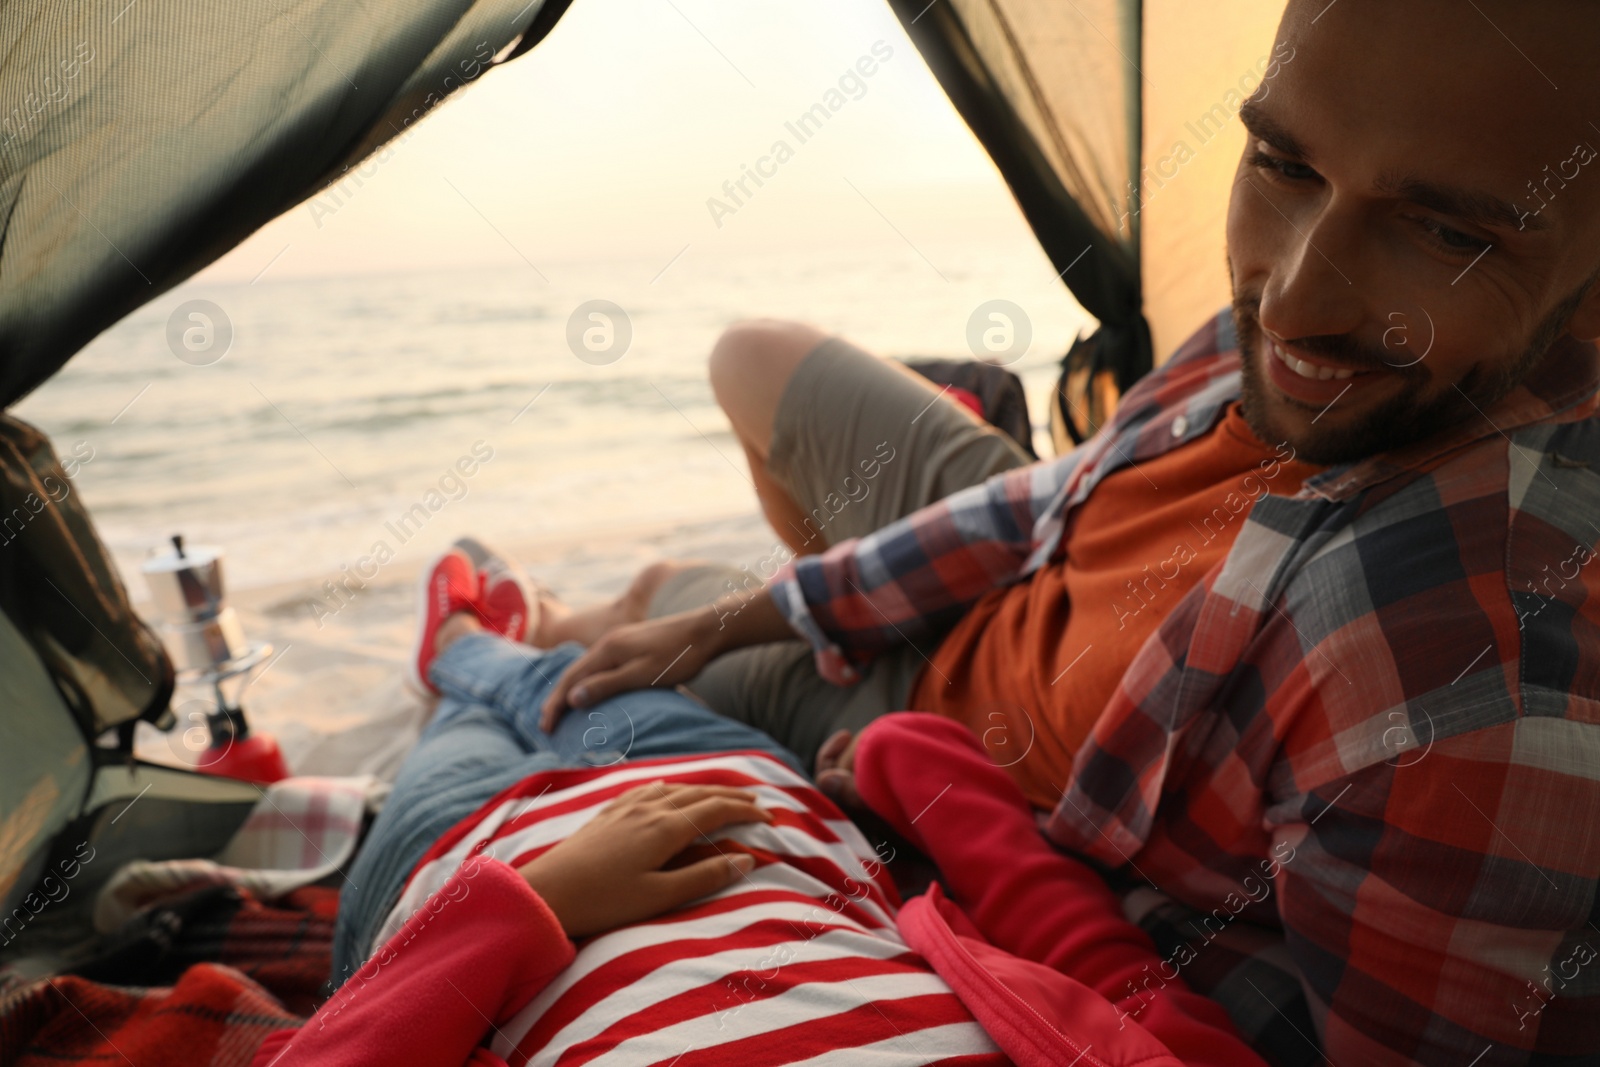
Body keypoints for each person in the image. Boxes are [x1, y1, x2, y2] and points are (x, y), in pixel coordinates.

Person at [414, 2, 1600, 1062]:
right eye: (1282, 161)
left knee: (606, 662)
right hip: (1030, 569)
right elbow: (1059, 492)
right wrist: (768, 605)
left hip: (937, 737)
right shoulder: (1311, 347)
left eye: (1449, 235)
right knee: (749, 367)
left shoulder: (1456, 694)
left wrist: (961, 832)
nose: (1290, 297)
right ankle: (670, 604)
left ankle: (546, 626)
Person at [277, 544, 1265, 1067]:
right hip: (734, 790)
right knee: (581, 689)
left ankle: (459, 649)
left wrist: (536, 899)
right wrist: (907, 771)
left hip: (461, 861)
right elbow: (1106, 970)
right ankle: (490, 645)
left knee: (467, 726)